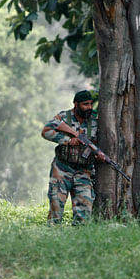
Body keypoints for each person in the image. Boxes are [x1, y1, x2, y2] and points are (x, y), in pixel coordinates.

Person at [41, 90, 105, 224]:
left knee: (84, 213)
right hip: (62, 168)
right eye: (85, 104)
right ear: (76, 104)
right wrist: (68, 140)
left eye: (90, 104)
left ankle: (79, 240)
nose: (89, 107)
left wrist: (98, 154)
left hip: (84, 171)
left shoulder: (95, 120)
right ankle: (52, 237)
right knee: (56, 207)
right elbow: (46, 131)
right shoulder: (64, 117)